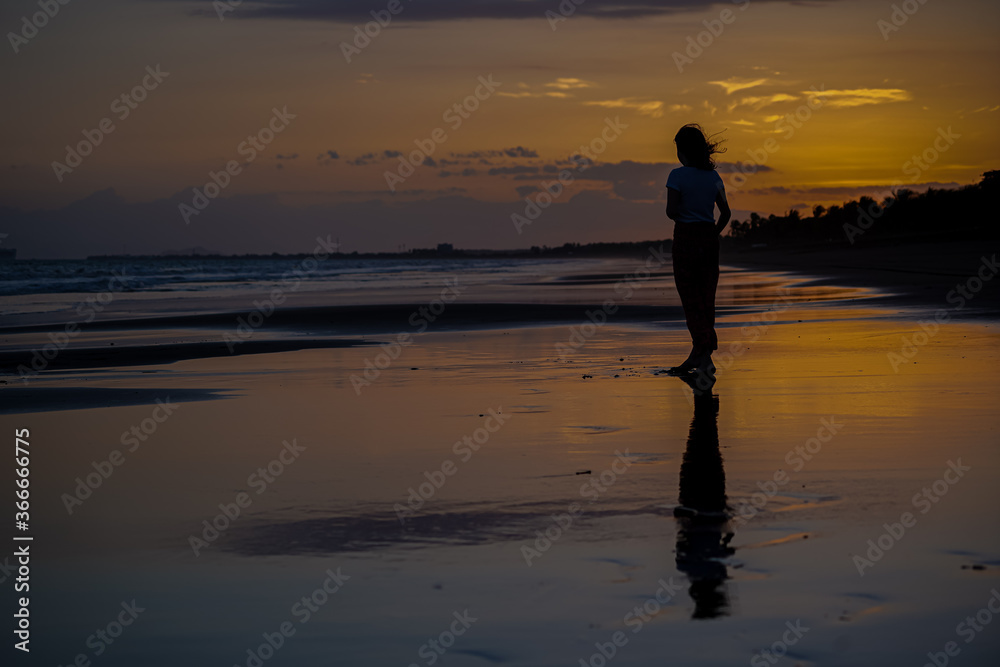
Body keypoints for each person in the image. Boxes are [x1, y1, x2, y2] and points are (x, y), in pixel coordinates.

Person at [665, 124, 731, 376]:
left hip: (686, 238)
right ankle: (702, 356)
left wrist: (686, 212)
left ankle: (702, 351)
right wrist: (712, 233)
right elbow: (725, 214)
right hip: (708, 239)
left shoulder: (677, 176)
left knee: (691, 298)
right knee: (706, 298)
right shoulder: (714, 177)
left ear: (682, 151)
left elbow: (671, 212)